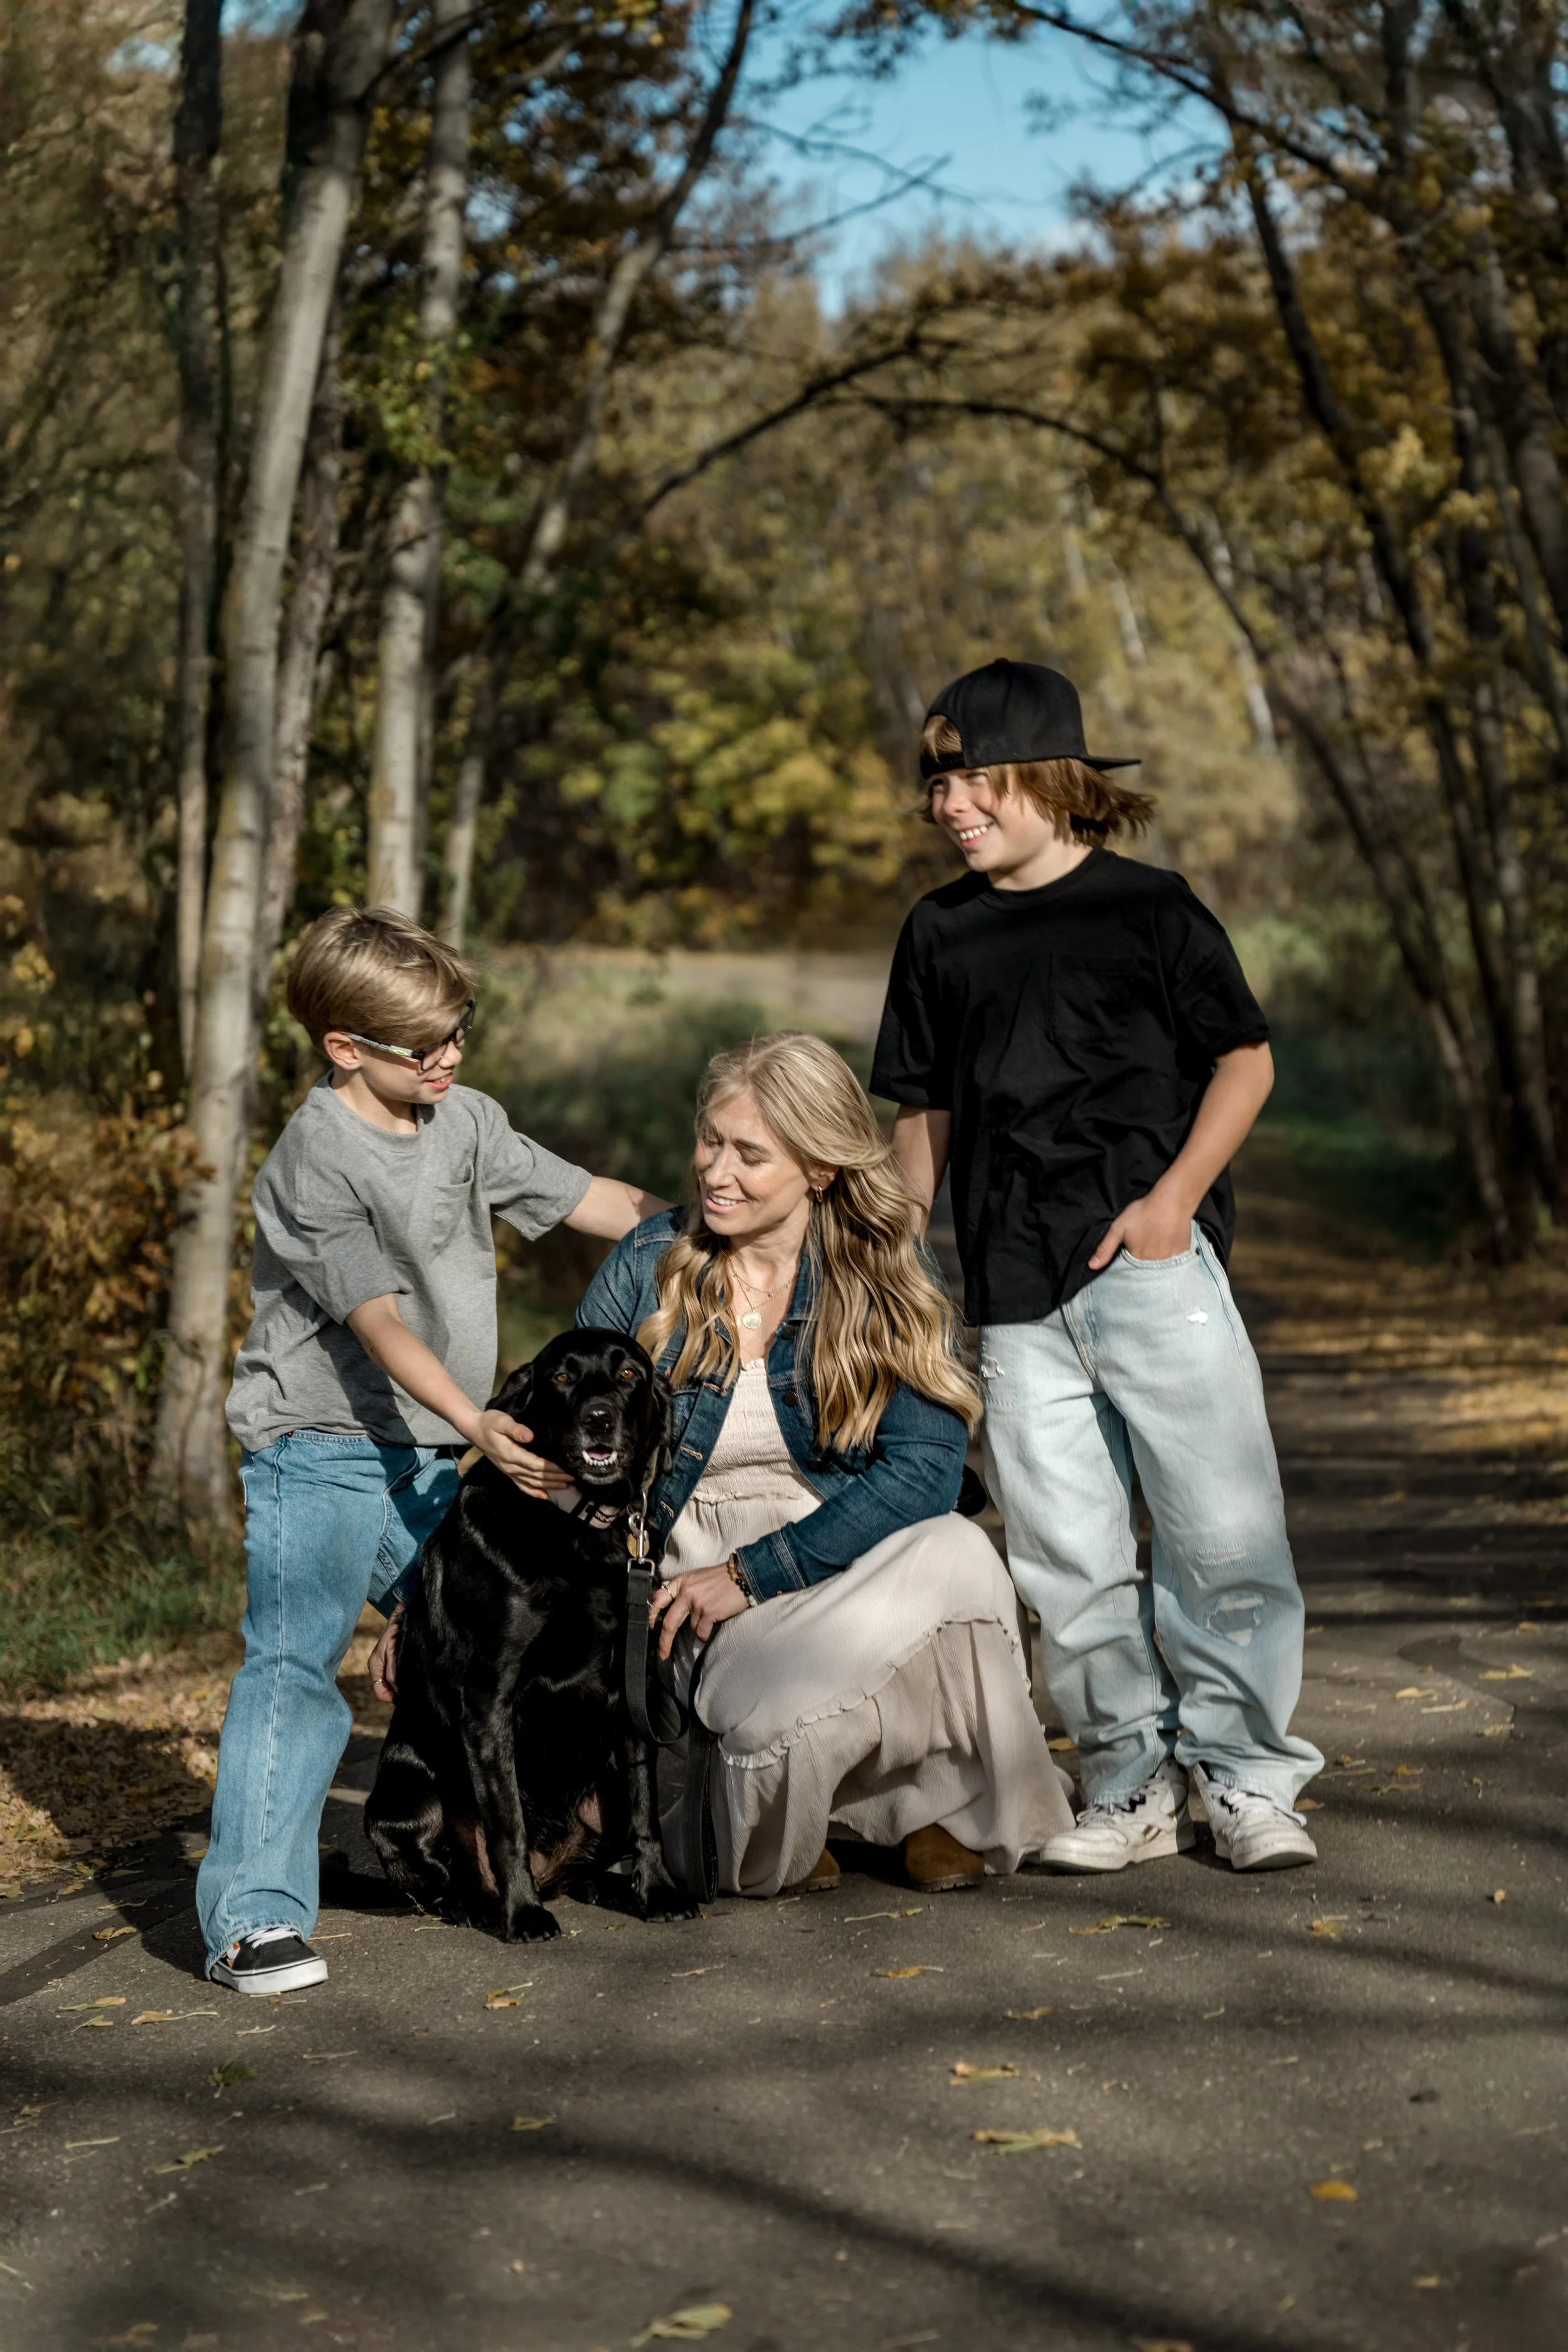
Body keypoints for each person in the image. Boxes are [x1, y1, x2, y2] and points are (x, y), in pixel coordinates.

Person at [872, 658, 1323, 1873]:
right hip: (1009, 1288)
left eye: (969, 780)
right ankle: (1126, 1782)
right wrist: (896, 1248)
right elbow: (917, 1107)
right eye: (935, 784)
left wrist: (1171, 1203)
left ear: (1049, 781)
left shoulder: (1149, 910)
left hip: (1147, 1268)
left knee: (1218, 1537)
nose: (945, 805)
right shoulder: (939, 932)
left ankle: (1243, 1780)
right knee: (1062, 1554)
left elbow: (1243, 1059)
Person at [200, 906, 669, 1996]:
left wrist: (708, 1219)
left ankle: (545, 1841)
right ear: (346, 1048)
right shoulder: (316, 1156)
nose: (451, 1056)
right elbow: (377, 1323)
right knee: (293, 1660)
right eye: (428, 1045)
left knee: (484, 1645)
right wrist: (479, 1428)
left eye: (463, 1029)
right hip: (319, 1445)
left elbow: (592, 1199)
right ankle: (251, 1920)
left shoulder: (465, 1121)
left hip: (429, 1447)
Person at [576, 1030, 1074, 1897]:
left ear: (821, 1169)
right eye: (711, 1140)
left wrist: (760, 1569)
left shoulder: (881, 1270)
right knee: (905, 1608)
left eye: (750, 1154)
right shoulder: (651, 1265)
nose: (714, 1171)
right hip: (693, 1601)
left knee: (956, 1551)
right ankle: (843, 1814)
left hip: (827, 1559)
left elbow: (925, 1468)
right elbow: (564, 1442)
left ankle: (933, 1813)